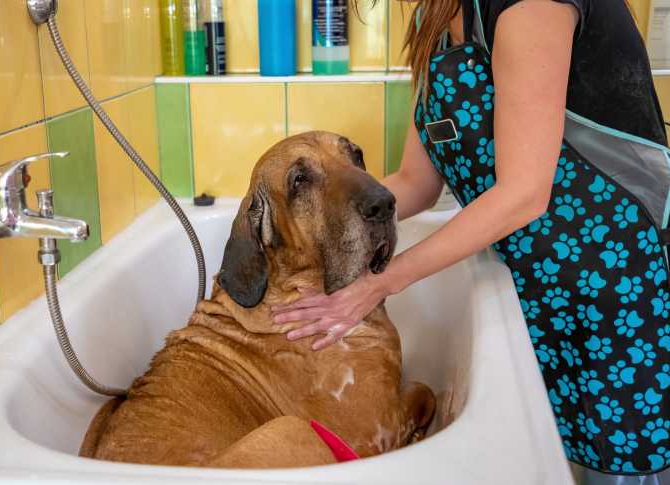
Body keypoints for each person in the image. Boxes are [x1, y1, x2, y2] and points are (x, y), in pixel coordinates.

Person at [272, 0, 670, 482]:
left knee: (622, 459)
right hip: (530, 283)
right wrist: (315, 237)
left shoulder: (530, 6)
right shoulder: (435, 22)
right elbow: (416, 182)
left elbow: (524, 193)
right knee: (552, 454)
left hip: (614, 283)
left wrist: (380, 282)